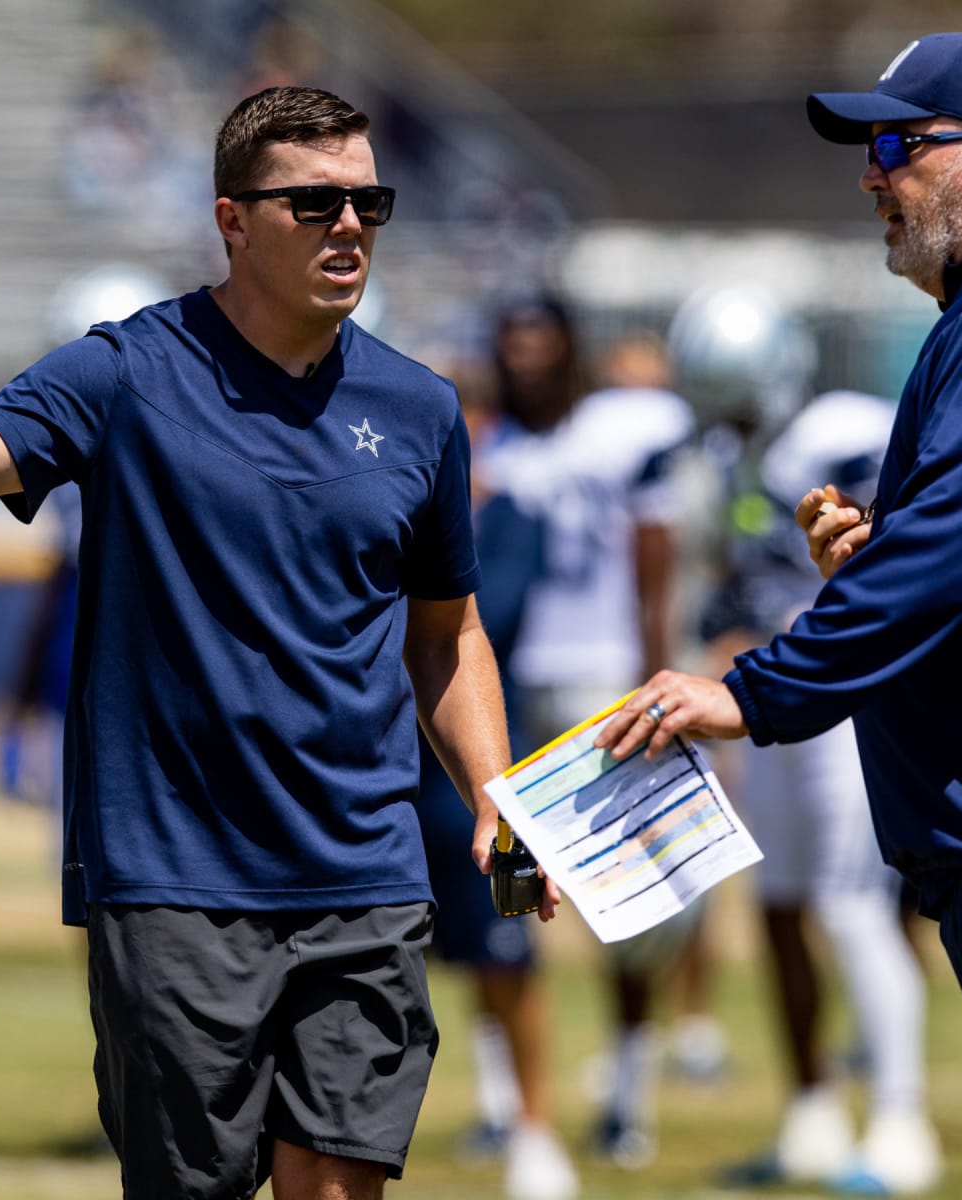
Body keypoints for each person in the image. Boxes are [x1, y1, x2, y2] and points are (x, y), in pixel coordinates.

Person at [595, 31, 962, 1199]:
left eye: (902, 144)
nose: (873, 174)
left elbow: (957, 554)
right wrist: (881, 542)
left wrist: (751, 692)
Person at [0, 85, 556, 1200]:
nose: (349, 227)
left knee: (340, 1186)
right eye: (314, 205)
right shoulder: (125, 373)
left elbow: (447, 630)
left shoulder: (422, 408)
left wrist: (491, 792)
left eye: (369, 203)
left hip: (366, 872)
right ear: (233, 221)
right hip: (174, 880)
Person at [701, 390, 939, 1195]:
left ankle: (902, 1121)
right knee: (778, 901)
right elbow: (742, 583)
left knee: (851, 904)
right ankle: (812, 1115)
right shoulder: (733, 465)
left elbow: (891, 548)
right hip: (772, 682)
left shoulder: (845, 427)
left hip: (837, 686)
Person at [480, 294, 697, 1168]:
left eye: (541, 342)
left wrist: (651, 680)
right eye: (513, 341)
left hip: (605, 681)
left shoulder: (620, 432)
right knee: (508, 898)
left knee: (630, 906)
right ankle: (508, 1098)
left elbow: (655, 562)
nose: (527, 357)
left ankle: (626, 1094)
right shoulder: (488, 442)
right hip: (512, 686)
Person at [413, 360, 578, 1200]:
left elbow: (490, 616)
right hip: (395, 772)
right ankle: (495, 1107)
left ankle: (537, 1128)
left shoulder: (512, 515)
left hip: (492, 763)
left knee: (511, 947)